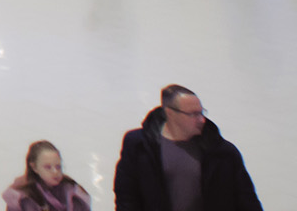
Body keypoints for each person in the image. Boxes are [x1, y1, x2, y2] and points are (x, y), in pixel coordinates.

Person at [112, 85, 263, 211]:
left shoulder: (223, 152)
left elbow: (247, 199)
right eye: (193, 114)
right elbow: (126, 195)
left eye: (201, 113)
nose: (201, 120)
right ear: (170, 113)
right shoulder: (138, 144)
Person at [3, 139, 93, 211]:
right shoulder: (21, 198)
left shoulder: (73, 193)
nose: (55, 172)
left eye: (58, 167)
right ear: (34, 167)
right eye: (48, 167)